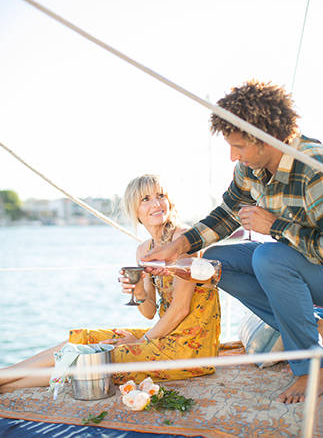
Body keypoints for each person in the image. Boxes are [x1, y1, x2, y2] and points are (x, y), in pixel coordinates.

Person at [142, 80, 323, 405]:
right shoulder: (249, 169)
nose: (231, 156)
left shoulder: (314, 168)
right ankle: (311, 328)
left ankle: (310, 368)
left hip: (312, 266)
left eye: (238, 146)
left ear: (265, 139)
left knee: (269, 256)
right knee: (213, 263)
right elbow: (226, 214)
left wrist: (276, 225)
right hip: (298, 266)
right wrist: (177, 247)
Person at [0, 174, 220, 392]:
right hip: (165, 335)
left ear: (170, 200)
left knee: (97, 358)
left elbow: (180, 310)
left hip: (191, 348)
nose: (156, 204)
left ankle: (5, 385)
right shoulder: (144, 250)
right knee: (85, 338)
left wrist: (140, 341)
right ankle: (4, 379)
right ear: (135, 210)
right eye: (145, 199)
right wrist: (139, 289)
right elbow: (149, 312)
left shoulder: (186, 240)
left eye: (160, 195)